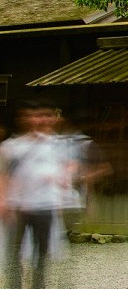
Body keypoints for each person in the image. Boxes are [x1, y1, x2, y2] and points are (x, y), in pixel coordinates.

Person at [0, 100, 79, 289]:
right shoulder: (11, 146)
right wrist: (3, 200)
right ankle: (15, 285)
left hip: (45, 204)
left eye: (41, 115)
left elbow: (71, 164)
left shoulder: (57, 144)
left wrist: (64, 178)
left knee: (41, 252)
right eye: (29, 116)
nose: (35, 120)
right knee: (14, 251)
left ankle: (38, 285)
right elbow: (4, 174)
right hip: (18, 205)